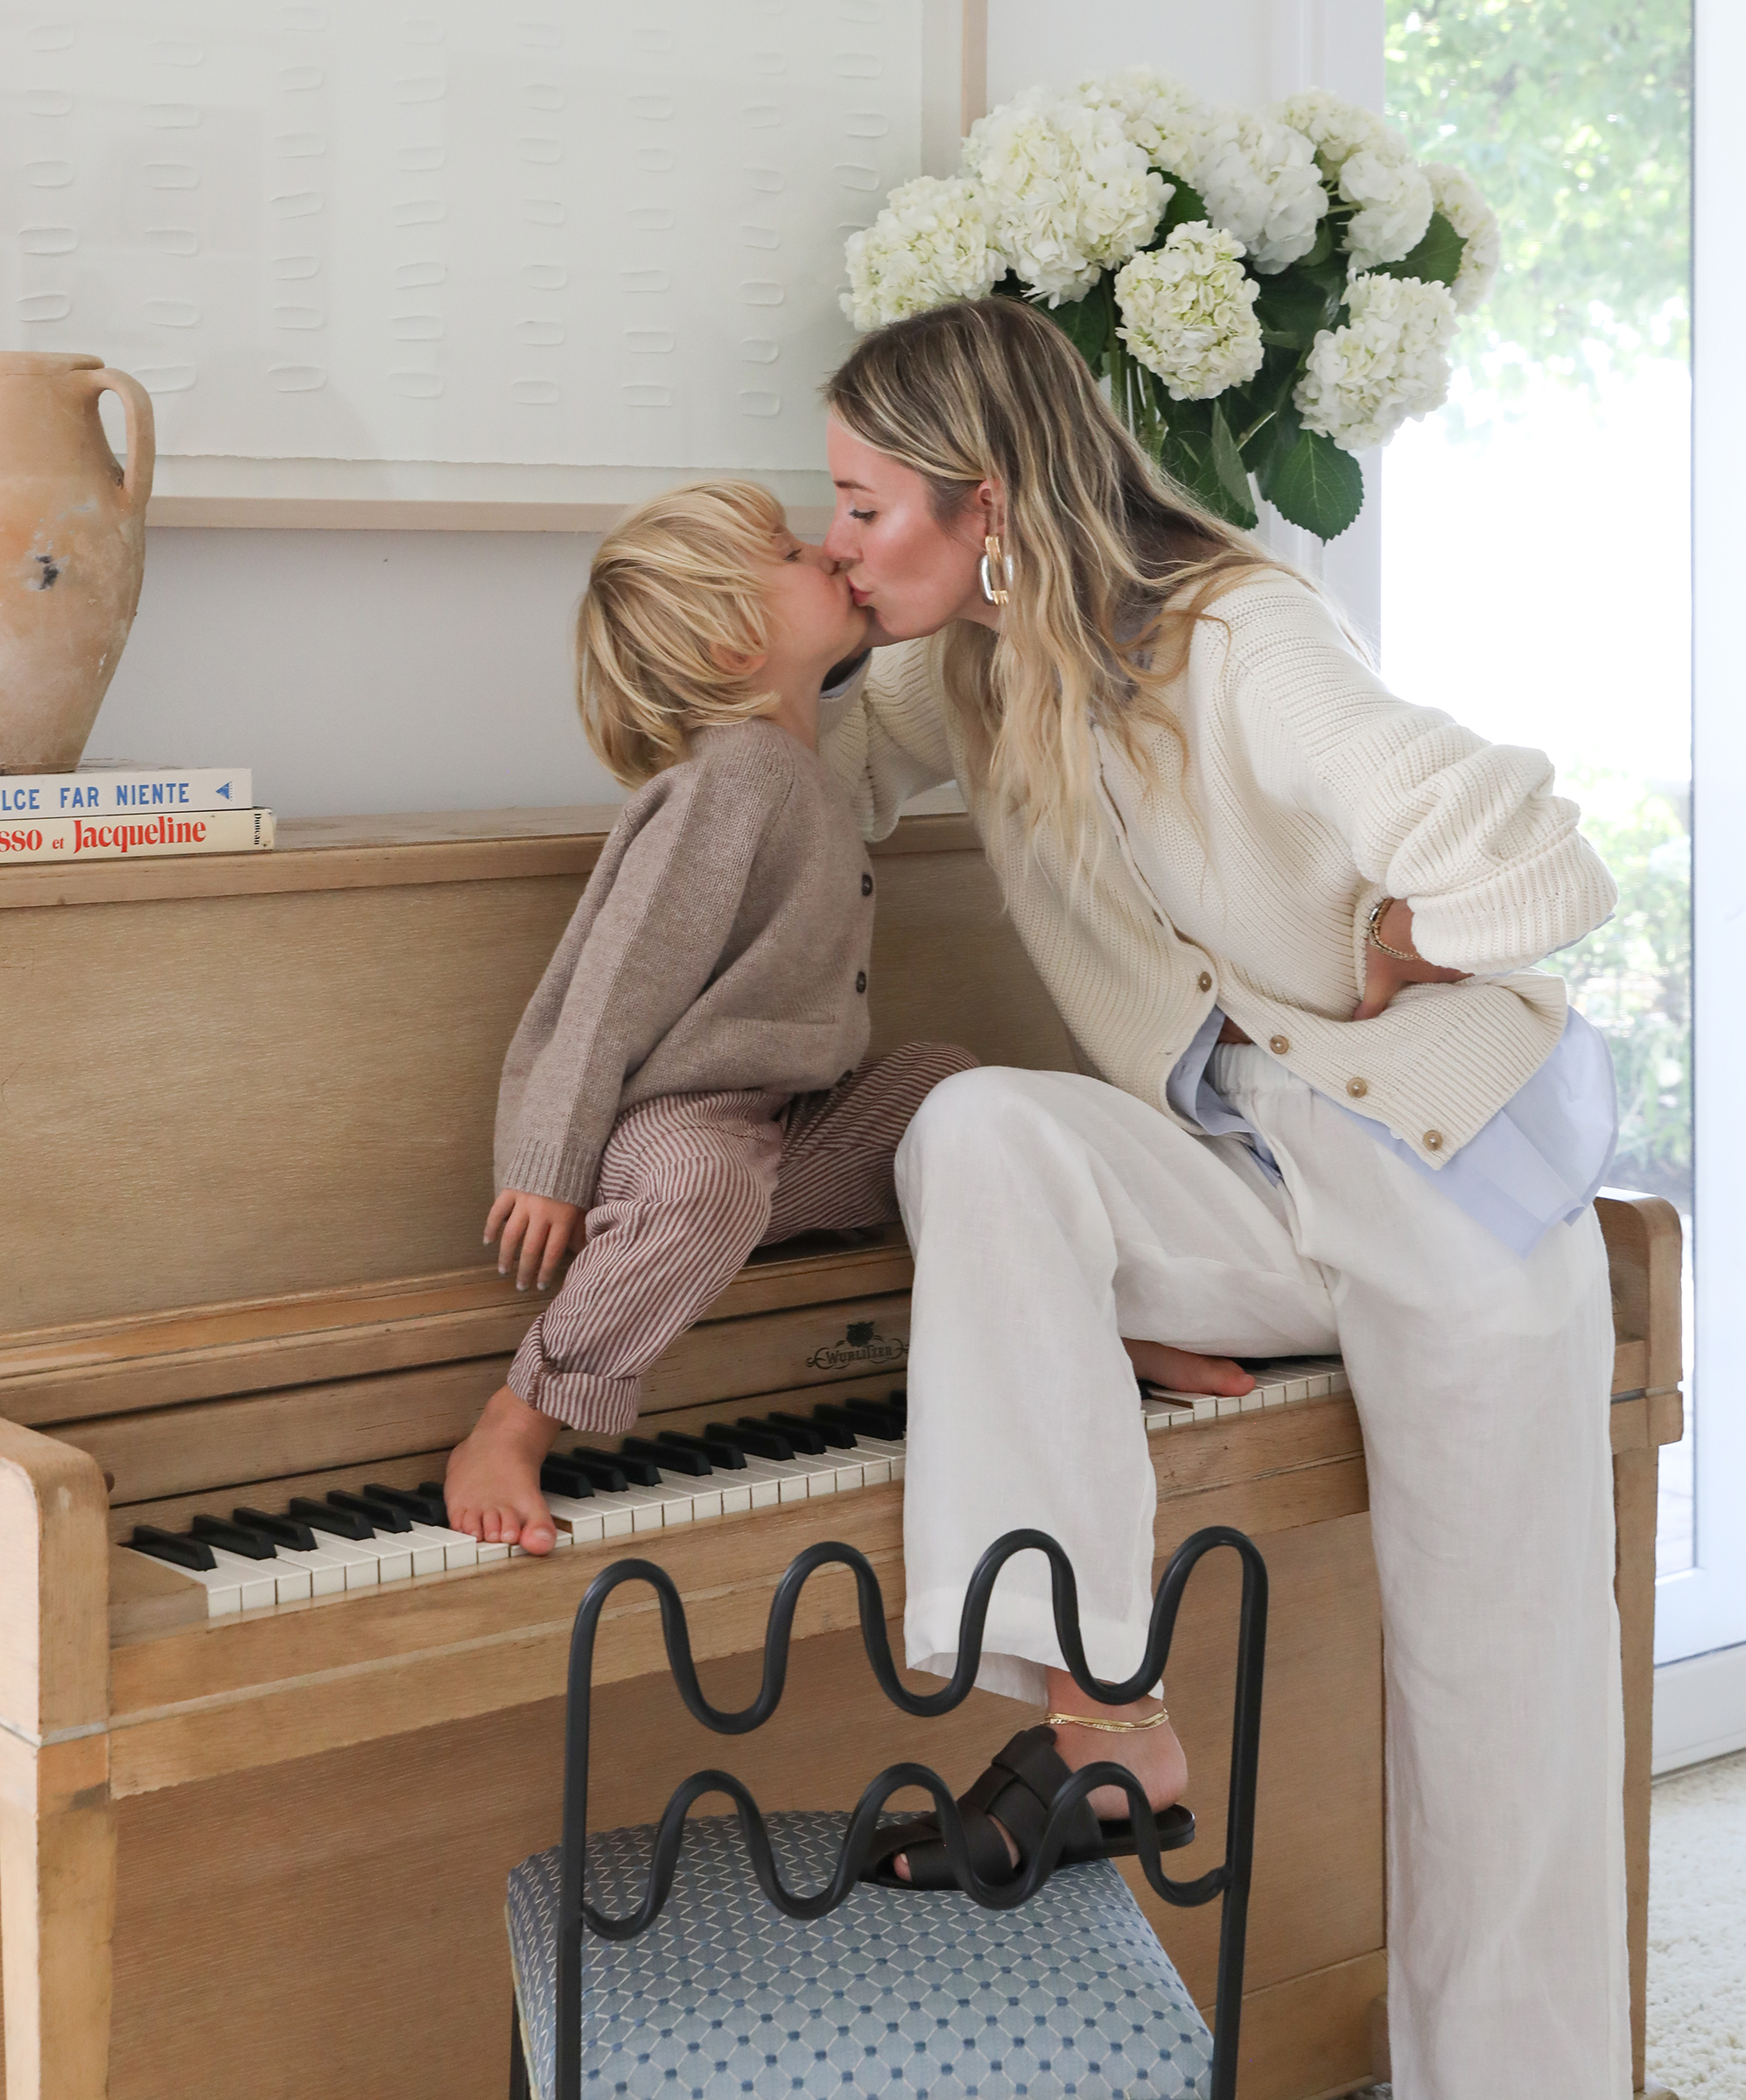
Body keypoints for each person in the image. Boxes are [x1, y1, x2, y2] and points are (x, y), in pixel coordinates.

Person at [815, 298, 1625, 2097]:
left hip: (1441, 1203)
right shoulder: (963, 661)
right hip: (1248, 1196)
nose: (841, 539)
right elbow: (810, 780)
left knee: (1499, 1720)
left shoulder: (1241, 638)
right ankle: (1103, 1720)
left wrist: (1392, 944)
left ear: (990, 501)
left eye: (865, 507)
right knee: (977, 1133)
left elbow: (1539, 862)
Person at [445, 480, 974, 1554]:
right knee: (705, 1184)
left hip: (789, 1127)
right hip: (675, 1131)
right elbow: (608, 987)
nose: (827, 552)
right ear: (737, 644)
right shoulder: (725, 784)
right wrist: (547, 1163)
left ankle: (1075, 1323)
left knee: (950, 1091)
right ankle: (517, 1417)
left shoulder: (803, 761)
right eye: (788, 553)